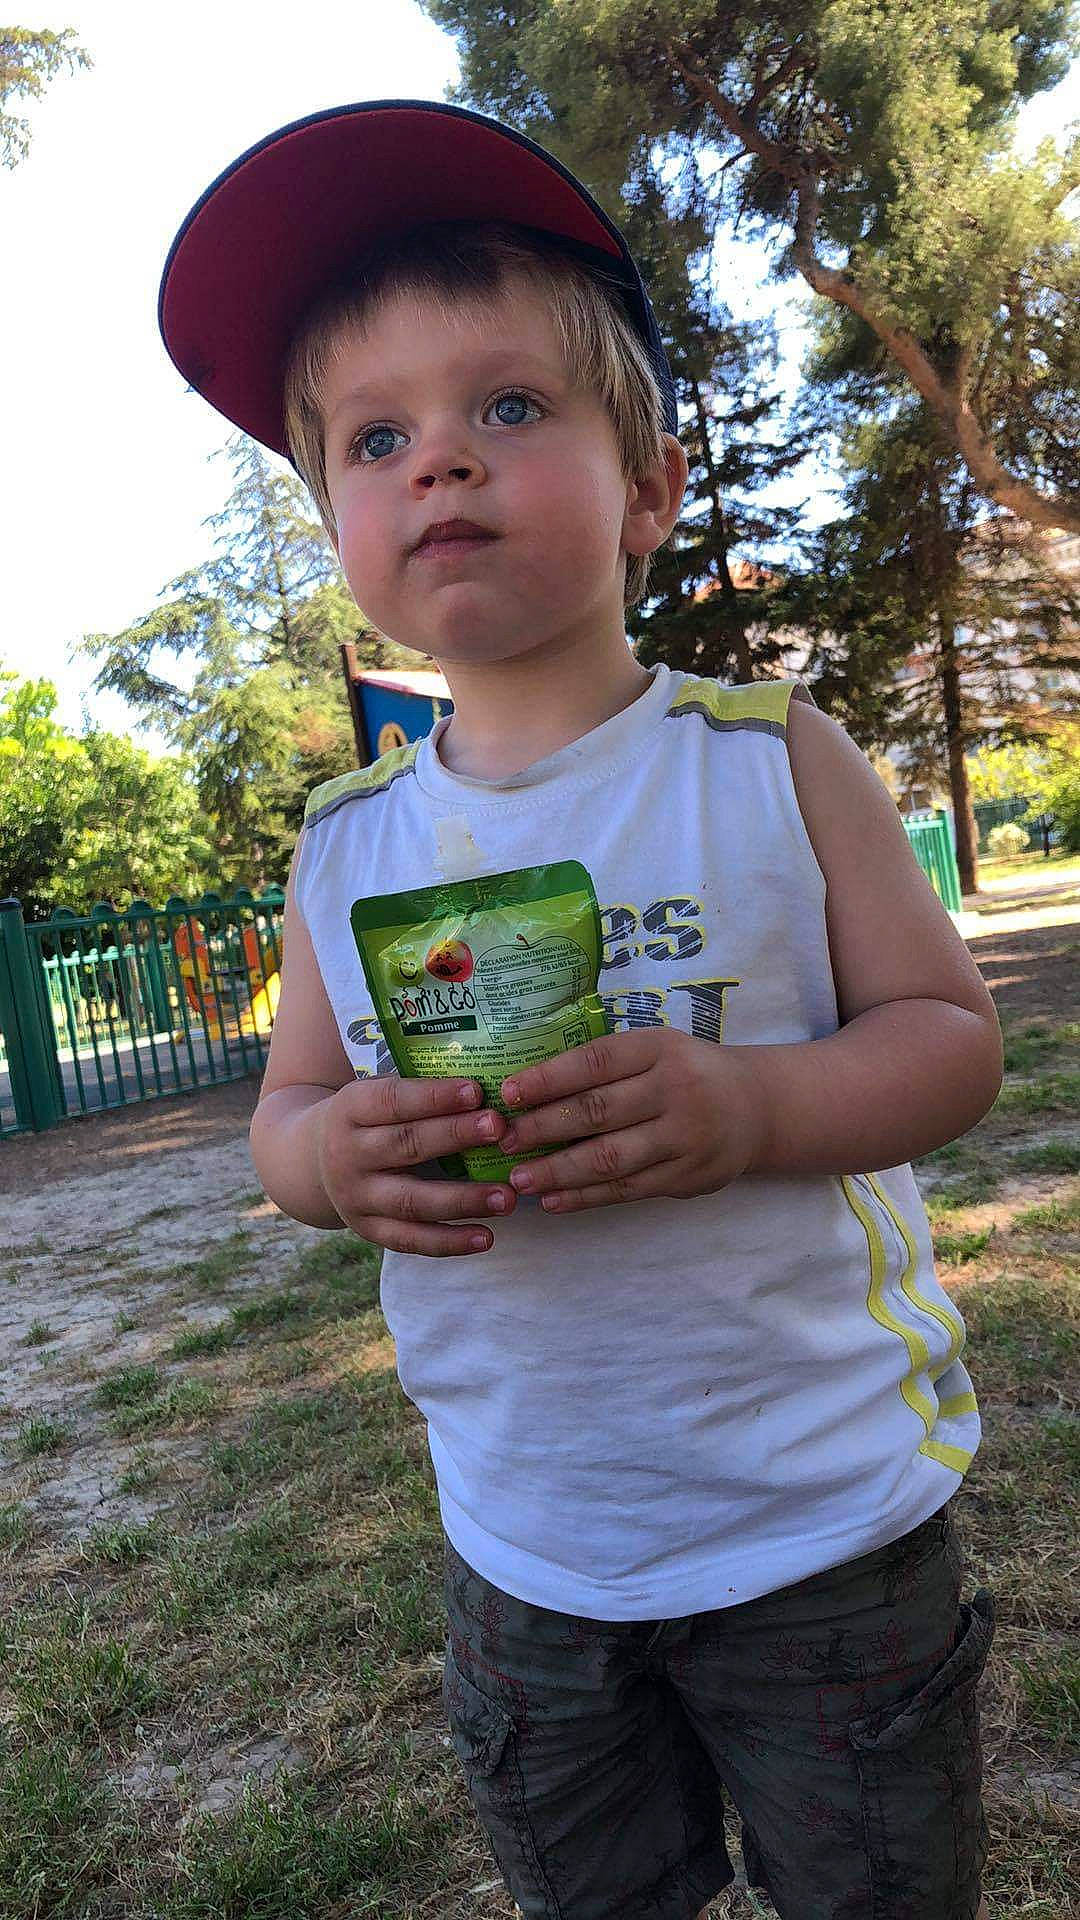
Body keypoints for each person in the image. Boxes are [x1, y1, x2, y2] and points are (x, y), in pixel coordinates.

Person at [160, 101, 1001, 1920]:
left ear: (655, 484)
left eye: (509, 409)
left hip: (822, 1527)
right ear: (336, 525)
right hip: (525, 1551)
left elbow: (949, 1037)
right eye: (377, 439)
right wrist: (333, 1166)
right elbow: (285, 1119)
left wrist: (759, 1110)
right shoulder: (347, 850)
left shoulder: (776, 761)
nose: (439, 464)